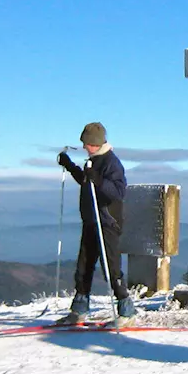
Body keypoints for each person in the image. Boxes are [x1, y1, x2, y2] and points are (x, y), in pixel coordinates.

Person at [56, 122, 134, 326]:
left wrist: (97, 179)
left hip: (107, 223)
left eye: (87, 143)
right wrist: (70, 166)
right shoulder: (94, 161)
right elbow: (86, 182)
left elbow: (118, 192)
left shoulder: (111, 162)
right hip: (91, 220)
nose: (84, 147)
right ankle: (79, 310)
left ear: (96, 143)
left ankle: (127, 311)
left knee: (111, 268)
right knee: (84, 266)